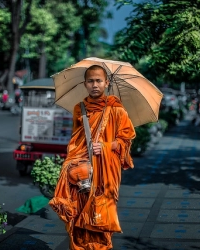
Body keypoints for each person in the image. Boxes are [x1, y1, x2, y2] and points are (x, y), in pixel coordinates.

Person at [49, 65, 136, 250]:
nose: (95, 85)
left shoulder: (117, 109)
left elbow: (125, 140)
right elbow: (75, 142)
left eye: (98, 81)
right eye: (90, 81)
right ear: (85, 83)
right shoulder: (79, 109)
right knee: (79, 214)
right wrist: (71, 164)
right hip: (83, 172)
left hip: (106, 170)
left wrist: (105, 146)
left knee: (101, 216)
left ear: (106, 83)